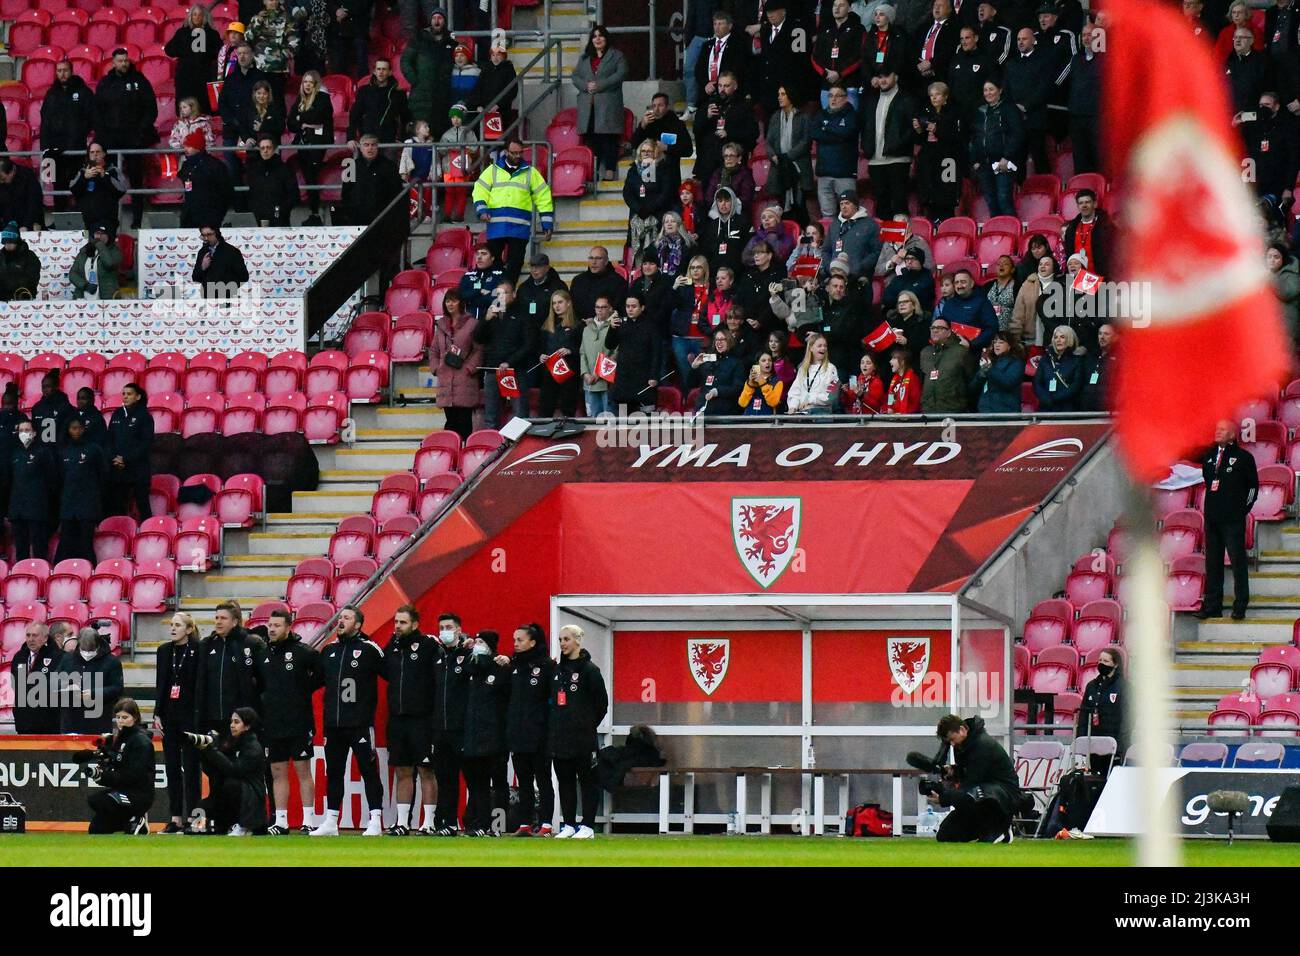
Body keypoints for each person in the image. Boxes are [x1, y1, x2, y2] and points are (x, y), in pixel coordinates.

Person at [313, 605, 385, 837]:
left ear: (358, 624)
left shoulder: (369, 649)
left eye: (347, 618)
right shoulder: (329, 650)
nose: (341, 621)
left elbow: (391, 671)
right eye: (340, 617)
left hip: (360, 723)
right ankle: (331, 820)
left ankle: (375, 819)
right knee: (333, 771)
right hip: (333, 725)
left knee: (368, 770)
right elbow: (315, 681)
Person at [193, 601, 265, 812]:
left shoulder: (249, 643)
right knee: (213, 770)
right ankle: (219, 817)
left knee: (242, 773)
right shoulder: (207, 646)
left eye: (223, 618)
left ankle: (248, 816)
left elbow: (261, 682)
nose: (218, 622)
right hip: (213, 719)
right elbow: (200, 684)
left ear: (235, 621)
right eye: (216, 618)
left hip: (239, 724)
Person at [256, 608, 322, 835]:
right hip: (273, 723)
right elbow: (260, 686)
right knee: (277, 771)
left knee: (303, 770)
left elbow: (321, 674)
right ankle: (281, 820)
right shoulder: (263, 655)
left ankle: (309, 819)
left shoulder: (303, 652)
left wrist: (303, 690)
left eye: (277, 626)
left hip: (299, 722)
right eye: (270, 626)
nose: (272, 629)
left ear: (288, 627)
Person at [383, 605, 439, 835]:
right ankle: (403, 822)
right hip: (397, 718)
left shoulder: (428, 645)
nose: (397, 626)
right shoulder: (392, 648)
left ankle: (428, 822)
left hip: (422, 719)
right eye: (396, 622)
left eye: (403, 622)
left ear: (415, 624)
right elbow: (384, 671)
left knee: (426, 770)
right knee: (402, 771)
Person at [549, 624, 608, 839]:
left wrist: (586, 725)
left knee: (587, 781)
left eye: (566, 639)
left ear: (577, 641)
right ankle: (569, 824)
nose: (563, 643)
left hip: (583, 739)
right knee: (565, 781)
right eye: (560, 639)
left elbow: (602, 704)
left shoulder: (590, 670)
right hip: (560, 737)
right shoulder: (556, 670)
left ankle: (588, 826)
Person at [1197, 419, 1260, 621]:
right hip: (1212, 519)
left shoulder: (1243, 458)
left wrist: (1241, 510)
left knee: (1237, 562)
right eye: (1216, 428)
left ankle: (1240, 604)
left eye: (1222, 429)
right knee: (1213, 564)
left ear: (1233, 434)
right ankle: (1212, 606)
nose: (1217, 432)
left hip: (1232, 520)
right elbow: (1209, 482)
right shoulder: (1209, 456)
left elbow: (1252, 488)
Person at [927, 713, 1021, 843]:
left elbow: (971, 782)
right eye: (949, 742)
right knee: (946, 835)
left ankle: (1001, 828)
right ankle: (984, 830)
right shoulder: (963, 745)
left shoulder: (983, 745)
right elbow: (970, 772)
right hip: (984, 793)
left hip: (1003, 796)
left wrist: (943, 798)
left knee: (974, 792)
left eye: (953, 739)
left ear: (962, 730)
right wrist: (954, 771)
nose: (952, 744)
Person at [472, 138, 555, 283]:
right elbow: (479, 190)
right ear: (506, 152)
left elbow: (543, 196)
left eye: (520, 153)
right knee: (494, 264)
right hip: (497, 225)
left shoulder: (530, 173)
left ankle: (508, 292)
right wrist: (482, 209)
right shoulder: (492, 170)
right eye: (514, 153)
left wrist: (546, 223)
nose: (517, 156)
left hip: (519, 228)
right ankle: (498, 291)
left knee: (515, 264)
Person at [94, 49, 159, 229]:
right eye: (120, 61)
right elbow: (97, 112)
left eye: (125, 60)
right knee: (111, 180)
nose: (123, 63)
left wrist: (140, 132)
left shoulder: (139, 80)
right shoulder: (106, 84)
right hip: (112, 142)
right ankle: (111, 218)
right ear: (113, 63)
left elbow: (151, 109)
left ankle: (137, 219)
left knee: (136, 180)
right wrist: (104, 136)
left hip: (135, 141)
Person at [502, 624, 554, 835]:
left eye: (520, 640)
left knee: (543, 780)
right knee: (523, 782)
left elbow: (552, 701)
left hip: (540, 735)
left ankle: (546, 824)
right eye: (514, 640)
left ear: (532, 642)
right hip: (518, 734)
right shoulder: (513, 667)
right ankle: (524, 823)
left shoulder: (547, 666)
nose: (515, 644)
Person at [154, 612, 202, 832]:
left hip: (190, 716)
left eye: (178, 625)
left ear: (189, 629)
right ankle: (175, 818)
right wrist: (157, 713)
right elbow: (161, 683)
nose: (173, 628)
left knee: (191, 768)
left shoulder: (197, 651)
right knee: (172, 768)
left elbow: (200, 685)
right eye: (171, 625)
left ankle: (193, 817)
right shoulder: (164, 651)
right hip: (169, 716)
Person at [461, 629, 510, 836]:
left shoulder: (501, 669)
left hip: (496, 737)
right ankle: (479, 824)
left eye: (482, 642)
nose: (478, 645)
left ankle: (498, 825)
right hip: (472, 737)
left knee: (498, 783)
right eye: (476, 641)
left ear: (490, 647)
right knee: (477, 784)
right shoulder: (470, 670)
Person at [191, 706, 268, 834]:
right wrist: (204, 753)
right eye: (231, 722)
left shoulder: (252, 747)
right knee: (201, 808)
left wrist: (212, 751)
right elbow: (212, 770)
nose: (232, 725)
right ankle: (212, 827)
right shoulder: (231, 742)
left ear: (247, 726)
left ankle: (243, 825)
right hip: (228, 792)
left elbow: (235, 771)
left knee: (231, 786)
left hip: (250, 795)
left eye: (237, 722)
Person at [430, 612, 472, 835]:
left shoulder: (468, 654)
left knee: (472, 778)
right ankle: (447, 822)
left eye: (448, 627)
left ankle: (475, 822)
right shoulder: (437, 657)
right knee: (445, 779)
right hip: (440, 728)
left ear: (458, 629)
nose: (444, 631)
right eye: (442, 627)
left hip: (461, 728)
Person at [87, 698, 154, 835]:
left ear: (134, 718)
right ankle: (130, 822)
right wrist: (101, 772)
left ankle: (137, 816)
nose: (121, 721)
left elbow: (133, 775)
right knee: (96, 829)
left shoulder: (141, 742)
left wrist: (104, 776)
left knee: (98, 800)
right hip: (121, 789)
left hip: (138, 793)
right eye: (118, 717)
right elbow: (114, 766)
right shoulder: (118, 739)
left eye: (125, 717)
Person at [473, 280, 533, 428]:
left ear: (513, 294)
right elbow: (477, 338)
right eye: (498, 293)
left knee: (520, 415)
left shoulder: (523, 315)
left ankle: (520, 448)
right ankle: (492, 446)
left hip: (515, 371)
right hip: (493, 370)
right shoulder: (491, 314)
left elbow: (529, 345)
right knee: (491, 416)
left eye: (504, 293)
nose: (501, 297)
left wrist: (510, 362)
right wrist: (485, 320)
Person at [571, 25, 628, 182]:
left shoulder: (617, 56)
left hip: (608, 104)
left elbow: (621, 74)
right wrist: (586, 86)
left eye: (600, 35)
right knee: (592, 139)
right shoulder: (584, 58)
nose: (597, 39)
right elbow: (575, 76)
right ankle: (593, 171)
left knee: (609, 138)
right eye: (594, 36)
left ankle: (609, 170)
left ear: (606, 38)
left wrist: (600, 85)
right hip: (588, 106)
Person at [860, 72, 916, 220]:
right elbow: (864, 126)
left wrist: (898, 145)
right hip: (875, 159)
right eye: (879, 77)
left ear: (896, 77)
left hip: (898, 159)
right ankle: (884, 243)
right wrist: (867, 147)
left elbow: (912, 128)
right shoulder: (871, 99)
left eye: (886, 76)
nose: (882, 80)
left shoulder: (906, 99)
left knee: (899, 204)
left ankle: (901, 242)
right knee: (882, 204)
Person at [40, 60, 96, 209]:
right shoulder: (51, 94)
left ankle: (80, 218)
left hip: (75, 148)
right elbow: (45, 120)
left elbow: (92, 116)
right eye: (59, 71)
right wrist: (45, 147)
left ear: (71, 71)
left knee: (78, 183)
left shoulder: (83, 92)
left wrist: (79, 132)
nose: (62, 74)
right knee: (58, 185)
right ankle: (59, 219)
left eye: (65, 70)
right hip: (54, 150)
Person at [430, 290, 482, 442]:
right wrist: (435, 368)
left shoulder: (472, 324)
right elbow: (433, 350)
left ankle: (463, 457)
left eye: (454, 300)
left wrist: (469, 368)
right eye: (447, 301)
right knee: (451, 424)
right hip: (445, 380)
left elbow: (479, 350)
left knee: (464, 424)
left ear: (461, 303)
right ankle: (451, 457)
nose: (450, 304)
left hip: (465, 379)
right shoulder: (440, 325)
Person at [55, 418, 109, 563]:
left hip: (88, 505)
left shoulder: (94, 449)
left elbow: (103, 476)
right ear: (68, 430)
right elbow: (59, 479)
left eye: (79, 428)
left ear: (83, 429)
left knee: (86, 545)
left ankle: (89, 574)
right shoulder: (63, 451)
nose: (76, 431)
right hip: (68, 505)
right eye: (73, 428)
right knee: (66, 544)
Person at [969, 78, 1024, 217]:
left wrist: (1007, 157)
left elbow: (1016, 135)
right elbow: (974, 136)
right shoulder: (980, 111)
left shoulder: (1010, 109)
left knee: (1004, 199)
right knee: (991, 201)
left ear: (1000, 90)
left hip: (1003, 162)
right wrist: (974, 160)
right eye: (985, 90)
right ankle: (996, 235)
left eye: (991, 89)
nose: (988, 93)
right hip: (984, 164)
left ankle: (1011, 233)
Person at [694, 71, 758, 187]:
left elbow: (753, 132)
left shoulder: (743, 107)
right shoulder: (709, 104)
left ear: (735, 86)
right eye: (720, 86)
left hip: (732, 161)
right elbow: (697, 130)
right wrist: (706, 116)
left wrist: (729, 133)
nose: (722, 89)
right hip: (709, 161)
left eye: (727, 86)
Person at [218, 44, 268, 187]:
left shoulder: (260, 77)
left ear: (252, 55)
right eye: (239, 53)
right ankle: (238, 204)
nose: (242, 56)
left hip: (255, 130)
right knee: (232, 166)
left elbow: (267, 102)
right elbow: (222, 104)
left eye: (245, 53)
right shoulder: (230, 78)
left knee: (256, 168)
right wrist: (230, 120)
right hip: (232, 129)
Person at [288, 71, 334, 225]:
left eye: (310, 82)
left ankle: (315, 212)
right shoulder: (300, 98)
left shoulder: (323, 98)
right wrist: (304, 122)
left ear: (316, 84)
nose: (307, 85)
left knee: (312, 175)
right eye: (305, 82)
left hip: (318, 142)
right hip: (302, 143)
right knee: (308, 177)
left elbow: (318, 116)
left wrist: (301, 118)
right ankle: (313, 212)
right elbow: (290, 122)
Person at [765, 85, 816, 223]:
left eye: (783, 94)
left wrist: (787, 157)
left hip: (798, 169)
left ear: (791, 96)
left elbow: (806, 142)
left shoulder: (804, 117)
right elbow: (768, 142)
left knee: (800, 207)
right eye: (778, 94)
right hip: (781, 169)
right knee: (783, 209)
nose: (779, 97)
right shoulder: (775, 117)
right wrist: (773, 156)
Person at [7, 419, 56, 561]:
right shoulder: (14, 453)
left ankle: (40, 573)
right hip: (17, 508)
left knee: (39, 545)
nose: (23, 433)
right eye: (21, 431)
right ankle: (22, 576)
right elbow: (9, 479)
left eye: (27, 430)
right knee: (20, 546)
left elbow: (51, 479)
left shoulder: (43, 452)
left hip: (37, 507)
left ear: (34, 433)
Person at [61, 626, 124, 735]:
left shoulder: (112, 662)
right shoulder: (68, 659)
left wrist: (94, 693)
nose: (87, 653)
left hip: (99, 720)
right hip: (71, 719)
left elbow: (117, 688)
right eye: (84, 650)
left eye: (90, 650)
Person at [401, 10, 456, 135]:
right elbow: (405, 61)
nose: (436, 21)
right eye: (434, 18)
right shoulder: (419, 40)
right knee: (420, 132)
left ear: (445, 21)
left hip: (443, 96)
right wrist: (414, 80)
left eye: (440, 18)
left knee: (440, 132)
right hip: (422, 95)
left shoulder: (451, 43)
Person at [606, 293, 664, 413]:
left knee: (646, 421)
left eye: (634, 306)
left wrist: (654, 376)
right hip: (624, 379)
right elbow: (609, 345)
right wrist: (611, 329)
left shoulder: (651, 326)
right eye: (628, 306)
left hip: (644, 378)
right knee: (623, 421)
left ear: (642, 307)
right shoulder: (621, 323)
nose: (630, 309)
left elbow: (656, 353)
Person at [915, 82, 964, 220]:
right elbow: (920, 140)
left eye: (937, 95)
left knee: (946, 197)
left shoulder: (954, 113)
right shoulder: (926, 113)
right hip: (930, 159)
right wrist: (919, 129)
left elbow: (956, 137)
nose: (934, 98)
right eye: (931, 95)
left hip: (948, 160)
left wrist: (937, 130)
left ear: (946, 96)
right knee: (930, 197)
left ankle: (947, 226)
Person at [105, 382, 154, 520]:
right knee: (117, 505)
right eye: (124, 394)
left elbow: (146, 443)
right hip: (118, 468)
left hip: (138, 468)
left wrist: (125, 459)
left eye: (129, 394)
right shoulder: (117, 414)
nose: (125, 397)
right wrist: (114, 458)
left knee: (142, 504)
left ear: (138, 397)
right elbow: (109, 439)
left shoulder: (144, 416)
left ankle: (146, 534)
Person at [624, 140, 676, 265]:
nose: (646, 153)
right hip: (638, 216)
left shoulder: (663, 169)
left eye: (649, 151)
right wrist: (639, 208)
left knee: (658, 253)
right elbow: (627, 193)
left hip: (657, 216)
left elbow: (666, 192)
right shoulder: (633, 170)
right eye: (643, 151)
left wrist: (650, 208)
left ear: (656, 153)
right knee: (639, 258)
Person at [812, 87, 860, 219]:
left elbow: (846, 133)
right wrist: (836, 132)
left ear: (845, 98)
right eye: (831, 95)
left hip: (844, 173)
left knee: (850, 214)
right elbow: (814, 133)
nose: (833, 99)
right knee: (827, 215)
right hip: (824, 173)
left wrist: (826, 129)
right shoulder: (820, 115)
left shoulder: (852, 115)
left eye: (838, 96)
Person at [166, 6, 223, 112]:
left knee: (204, 110)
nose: (197, 17)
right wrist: (185, 52)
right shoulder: (182, 32)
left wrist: (206, 54)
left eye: (200, 15)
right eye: (194, 14)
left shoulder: (212, 34)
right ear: (190, 16)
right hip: (185, 78)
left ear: (204, 17)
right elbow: (169, 50)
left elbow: (220, 52)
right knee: (185, 111)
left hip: (204, 77)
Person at [340, 134, 405, 227]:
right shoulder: (351, 166)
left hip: (382, 218)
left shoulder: (389, 166)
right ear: (361, 148)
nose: (370, 148)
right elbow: (345, 193)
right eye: (366, 145)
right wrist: (348, 213)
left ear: (377, 147)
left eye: (373, 145)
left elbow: (396, 192)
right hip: (357, 218)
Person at [537, 290, 583, 418]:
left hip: (569, 372)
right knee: (545, 408)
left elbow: (584, 350)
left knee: (568, 408)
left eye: (560, 302)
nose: (556, 306)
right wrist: (541, 355)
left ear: (568, 303)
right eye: (554, 303)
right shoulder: (547, 324)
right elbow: (540, 347)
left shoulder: (578, 325)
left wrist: (571, 350)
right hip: (549, 372)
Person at [1077, 647, 1127, 765]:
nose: (1101, 664)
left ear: (1115, 665)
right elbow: (1084, 714)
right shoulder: (1091, 686)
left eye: (1106, 661)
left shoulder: (1124, 686)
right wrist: (1081, 739)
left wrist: (1121, 744)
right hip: (1094, 743)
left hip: (1113, 744)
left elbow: (1127, 718)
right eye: (1100, 661)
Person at [11, 623, 64, 734]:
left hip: (49, 724)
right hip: (23, 723)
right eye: (28, 635)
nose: (31, 639)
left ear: (45, 638)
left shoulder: (58, 657)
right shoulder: (19, 657)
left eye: (35, 635)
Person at [812, 0, 866, 108]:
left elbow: (860, 56)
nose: (837, 8)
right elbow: (814, 56)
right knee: (827, 120)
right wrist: (825, 73)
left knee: (850, 121)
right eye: (835, 5)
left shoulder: (858, 29)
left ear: (849, 9)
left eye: (841, 5)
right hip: (827, 86)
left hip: (849, 85)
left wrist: (840, 73)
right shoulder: (825, 30)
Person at [347, 59, 411, 146]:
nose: (381, 72)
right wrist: (351, 138)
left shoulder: (398, 93)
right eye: (378, 69)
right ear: (374, 71)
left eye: (384, 69)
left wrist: (403, 139)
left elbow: (405, 118)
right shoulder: (364, 91)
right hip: (368, 139)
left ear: (390, 72)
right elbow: (354, 115)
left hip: (389, 139)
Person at [695, 10, 749, 114]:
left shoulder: (737, 44)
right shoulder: (707, 45)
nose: (717, 27)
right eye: (715, 24)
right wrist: (706, 84)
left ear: (729, 26)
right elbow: (699, 69)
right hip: (706, 94)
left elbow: (737, 69)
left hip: (727, 95)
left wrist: (717, 85)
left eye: (721, 23)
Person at [245, 0, 298, 103]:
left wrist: (281, 57)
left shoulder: (287, 18)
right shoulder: (257, 18)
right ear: (264, 2)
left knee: (276, 102)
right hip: (259, 68)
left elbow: (294, 43)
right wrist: (257, 22)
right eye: (269, 0)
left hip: (278, 69)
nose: (272, 2)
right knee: (259, 102)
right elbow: (247, 38)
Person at [820, 191, 880, 281]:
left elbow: (876, 252)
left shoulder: (870, 225)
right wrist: (831, 268)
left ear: (855, 205)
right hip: (835, 278)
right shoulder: (834, 225)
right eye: (841, 204)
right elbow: (826, 251)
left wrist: (858, 267)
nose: (844, 207)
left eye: (847, 203)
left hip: (858, 278)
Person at [69, 143, 129, 233]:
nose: (95, 155)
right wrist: (84, 178)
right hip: (84, 221)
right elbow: (73, 190)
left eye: (98, 152)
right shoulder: (82, 172)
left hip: (106, 221)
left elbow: (121, 190)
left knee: (99, 240)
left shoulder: (113, 170)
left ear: (104, 154)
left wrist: (104, 176)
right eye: (92, 152)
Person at [179, 131, 234, 229]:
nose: (185, 149)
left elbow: (226, 191)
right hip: (189, 214)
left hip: (210, 215)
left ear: (197, 147)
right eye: (185, 146)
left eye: (189, 146)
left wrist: (218, 213)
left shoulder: (215, 166)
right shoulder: (186, 165)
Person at [1069, 18, 1103, 175]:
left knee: (1098, 158)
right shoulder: (1076, 60)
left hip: (1097, 117)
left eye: (1090, 35)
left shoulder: (1107, 60)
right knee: (1080, 159)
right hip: (1077, 117)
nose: (1086, 38)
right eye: (1084, 35)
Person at [920, 316, 973, 413]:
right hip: (929, 410)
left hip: (953, 409)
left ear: (949, 332)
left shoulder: (960, 351)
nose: (935, 330)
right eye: (933, 328)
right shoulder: (925, 352)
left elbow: (970, 377)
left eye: (940, 328)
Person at [690, 328, 746, 416]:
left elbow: (738, 388)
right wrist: (695, 367)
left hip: (725, 411)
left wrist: (718, 391)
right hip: (704, 409)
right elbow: (692, 384)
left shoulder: (737, 363)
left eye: (722, 339)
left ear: (729, 341)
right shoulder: (708, 360)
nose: (719, 342)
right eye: (717, 339)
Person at [246, 136, 300, 227]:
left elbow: (294, 194)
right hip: (261, 217)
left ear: (274, 149)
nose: (265, 151)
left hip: (281, 219)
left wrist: (281, 210)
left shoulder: (284, 169)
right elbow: (252, 192)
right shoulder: (255, 170)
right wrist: (256, 209)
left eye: (268, 147)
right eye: (262, 148)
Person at [699, 187, 753, 275]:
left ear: (733, 202)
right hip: (715, 274)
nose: (723, 204)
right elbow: (706, 250)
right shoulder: (711, 225)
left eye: (727, 200)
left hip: (737, 272)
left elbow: (748, 249)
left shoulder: (743, 222)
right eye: (720, 201)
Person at [1062, 188, 1114, 279]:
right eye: (1081, 203)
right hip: (1078, 279)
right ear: (1078, 206)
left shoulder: (1107, 226)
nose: (1084, 205)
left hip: (1102, 279)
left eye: (1087, 202)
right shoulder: (1071, 229)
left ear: (1095, 204)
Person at [631, 92, 694, 164]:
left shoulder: (676, 124)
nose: (656, 109)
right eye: (654, 106)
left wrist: (667, 147)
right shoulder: (647, 123)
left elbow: (688, 150)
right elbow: (634, 144)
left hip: (669, 170)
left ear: (667, 107)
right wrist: (642, 126)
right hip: (648, 168)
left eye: (660, 105)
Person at [569, 246, 628, 322]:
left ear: (606, 261)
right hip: (581, 325)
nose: (594, 262)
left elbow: (619, 309)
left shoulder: (618, 282)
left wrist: (597, 321)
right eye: (591, 258)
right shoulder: (578, 281)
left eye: (598, 258)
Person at [1034, 325, 1085, 412]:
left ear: (1069, 339)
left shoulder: (1077, 361)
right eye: (1056, 337)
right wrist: (1045, 398)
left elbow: (1076, 386)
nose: (1058, 340)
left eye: (1062, 337)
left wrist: (1054, 398)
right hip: (1046, 408)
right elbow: (1037, 383)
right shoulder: (1045, 360)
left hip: (1067, 409)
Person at [944, 269, 999, 348]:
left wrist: (972, 344)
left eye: (963, 282)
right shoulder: (949, 304)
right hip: (950, 347)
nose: (959, 286)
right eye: (956, 282)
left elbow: (992, 328)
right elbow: (943, 325)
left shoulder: (983, 302)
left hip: (973, 349)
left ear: (972, 284)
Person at [786, 333, 839, 414]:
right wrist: (793, 407)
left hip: (822, 415)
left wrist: (810, 399)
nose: (823, 348)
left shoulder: (830, 368)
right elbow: (795, 392)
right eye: (820, 346)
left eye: (825, 346)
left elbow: (831, 396)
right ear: (811, 348)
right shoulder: (803, 369)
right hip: (803, 414)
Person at [192, 225, 250, 299]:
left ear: (217, 233)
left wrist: (227, 290)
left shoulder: (232, 252)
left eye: (209, 234)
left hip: (226, 300)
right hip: (207, 300)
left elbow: (244, 277)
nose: (206, 238)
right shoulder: (202, 252)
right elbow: (195, 278)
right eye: (203, 235)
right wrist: (203, 267)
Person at [971, 331, 1023, 413]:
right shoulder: (990, 361)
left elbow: (1008, 382)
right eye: (995, 342)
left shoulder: (1016, 363)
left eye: (1001, 342)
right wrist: (981, 374)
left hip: (1005, 411)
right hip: (985, 410)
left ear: (1009, 345)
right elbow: (973, 388)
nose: (997, 345)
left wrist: (989, 369)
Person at [472, 44, 519, 133]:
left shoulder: (508, 69)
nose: (495, 57)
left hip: (502, 112)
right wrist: (478, 105)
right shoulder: (486, 69)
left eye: (498, 55)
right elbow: (478, 88)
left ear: (504, 56)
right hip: (484, 110)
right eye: (493, 55)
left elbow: (512, 91)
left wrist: (498, 105)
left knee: (500, 136)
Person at [581, 297, 616, 417]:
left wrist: (597, 374)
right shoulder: (586, 329)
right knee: (592, 420)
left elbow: (615, 353)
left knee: (609, 420)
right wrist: (585, 373)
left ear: (610, 309)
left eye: (603, 307)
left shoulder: (615, 327)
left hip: (607, 381)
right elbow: (582, 353)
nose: (600, 310)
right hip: (589, 381)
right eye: (597, 307)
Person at [236, 80, 287, 154]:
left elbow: (281, 128)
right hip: (254, 150)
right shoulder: (248, 109)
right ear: (254, 94)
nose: (261, 96)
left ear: (269, 94)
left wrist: (263, 126)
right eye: (259, 93)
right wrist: (246, 138)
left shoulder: (275, 109)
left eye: (264, 94)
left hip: (272, 149)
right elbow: (242, 127)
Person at [881, 247, 936, 314]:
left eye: (913, 259)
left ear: (920, 261)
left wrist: (899, 297)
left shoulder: (927, 278)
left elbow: (917, 296)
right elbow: (886, 298)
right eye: (907, 259)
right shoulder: (899, 278)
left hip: (918, 315)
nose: (909, 262)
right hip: (896, 314)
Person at [458, 244, 506, 318]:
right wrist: (479, 291)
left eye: (484, 254)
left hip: (490, 319)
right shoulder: (467, 276)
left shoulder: (499, 276)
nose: (479, 257)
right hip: (467, 320)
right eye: (477, 254)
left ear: (492, 258)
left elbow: (496, 299)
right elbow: (460, 297)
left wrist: (471, 298)